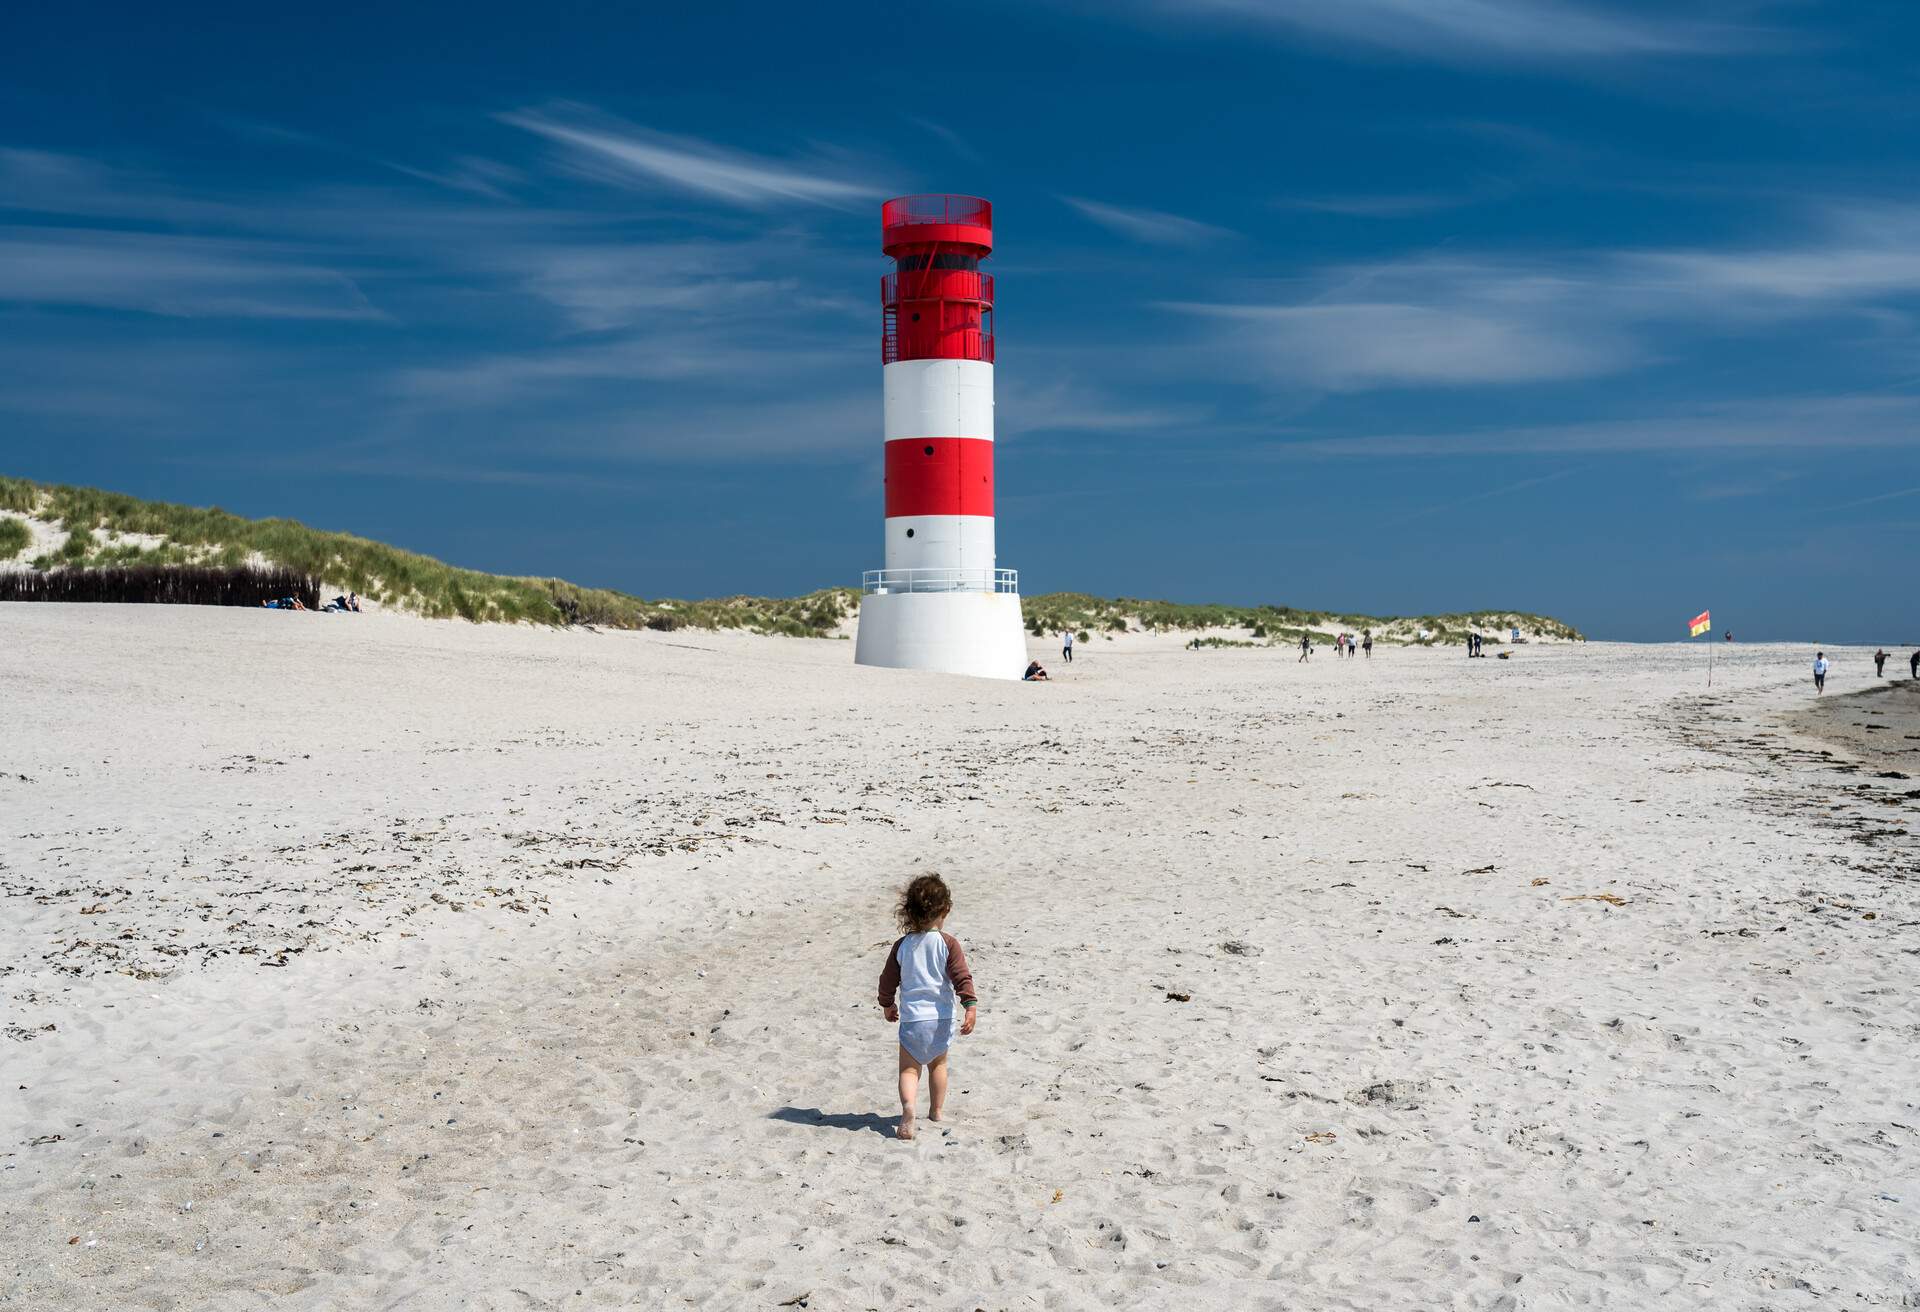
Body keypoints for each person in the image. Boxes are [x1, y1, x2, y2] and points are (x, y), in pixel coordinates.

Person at [877, 874, 978, 1141]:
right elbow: (961, 977)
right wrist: (970, 1005)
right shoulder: (947, 943)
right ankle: (936, 1111)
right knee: (938, 1066)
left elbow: (887, 981)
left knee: (909, 1070)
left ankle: (909, 1106)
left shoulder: (902, 946)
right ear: (945, 910)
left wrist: (887, 1004)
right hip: (941, 1019)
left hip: (912, 1021)